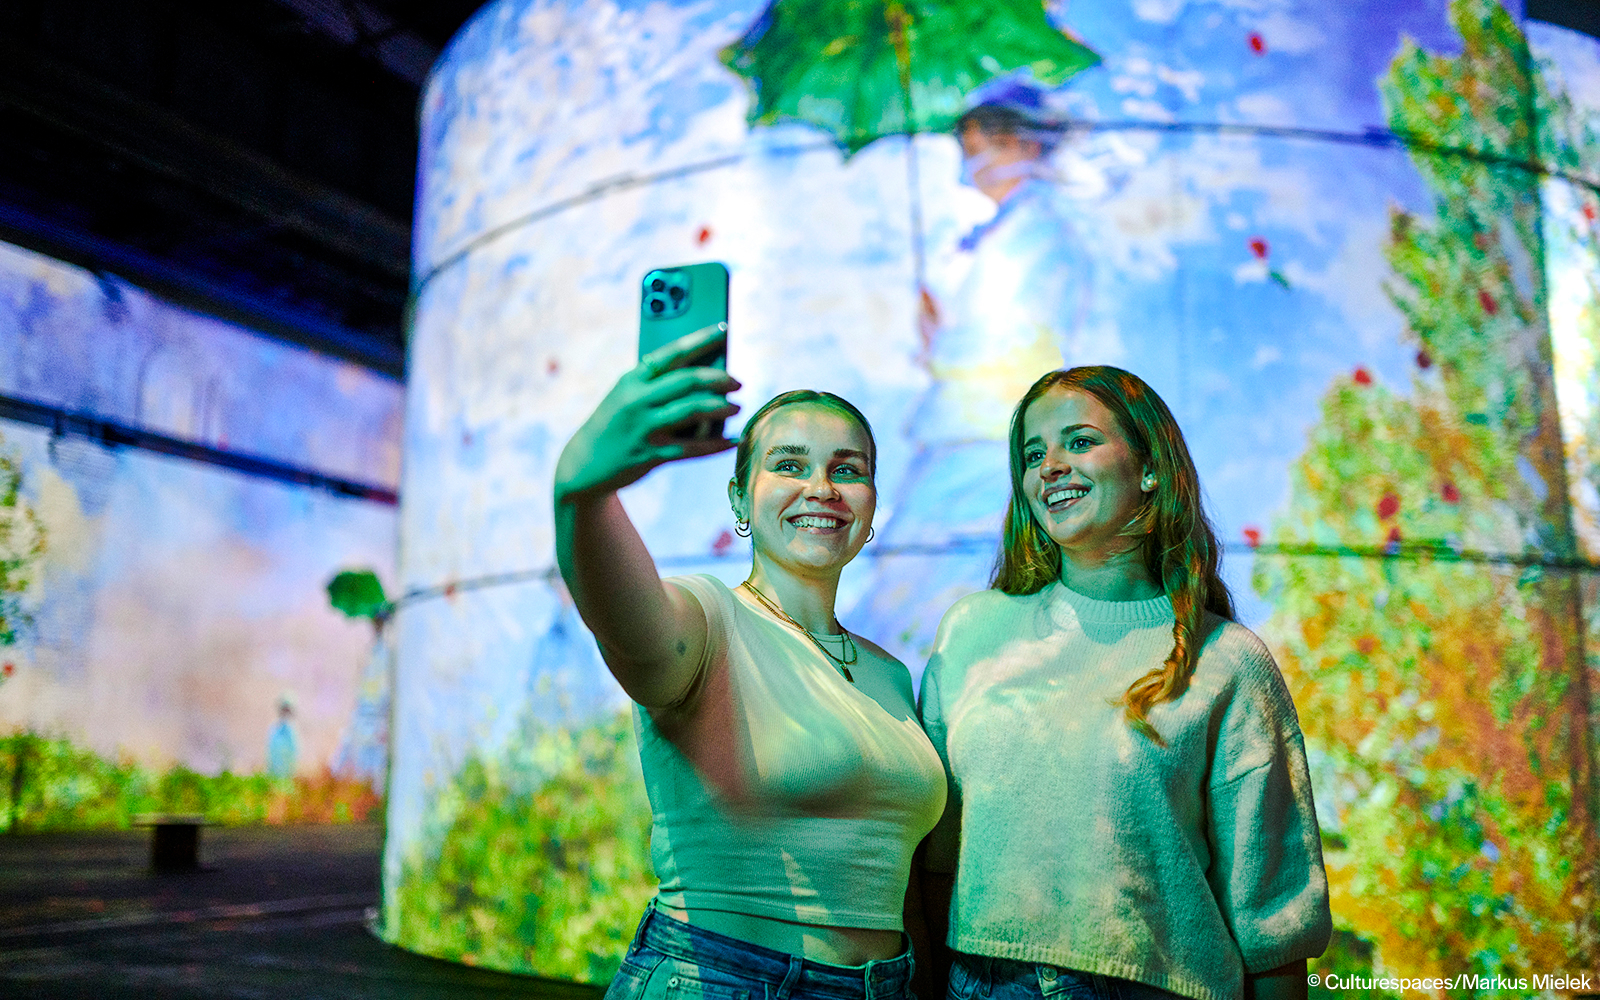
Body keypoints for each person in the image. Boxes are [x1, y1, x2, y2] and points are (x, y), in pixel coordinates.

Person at [553, 323, 947, 1000]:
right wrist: (581, 494)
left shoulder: (889, 675)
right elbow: (624, 621)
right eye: (789, 465)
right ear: (740, 500)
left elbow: (894, 869)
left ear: (871, 502)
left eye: (846, 469)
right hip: (725, 981)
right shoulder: (706, 620)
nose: (821, 486)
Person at [918, 367, 1331, 1000]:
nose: (1050, 465)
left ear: (1151, 468)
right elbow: (937, 861)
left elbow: (1273, 925)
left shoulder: (1229, 662)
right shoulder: (972, 632)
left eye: (1079, 442)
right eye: (1033, 454)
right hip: (975, 978)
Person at [854, 79, 1091, 657]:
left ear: (1020, 144)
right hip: (964, 435)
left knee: (939, 588)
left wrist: (944, 344)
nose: (969, 161)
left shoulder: (1040, 236)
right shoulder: (1004, 235)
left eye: (978, 143)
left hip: (988, 438)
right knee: (914, 580)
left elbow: (1016, 348)